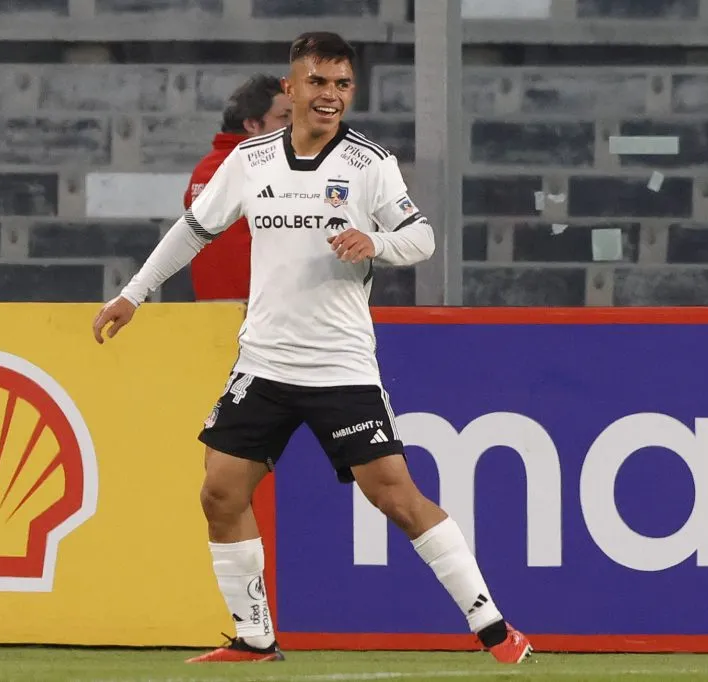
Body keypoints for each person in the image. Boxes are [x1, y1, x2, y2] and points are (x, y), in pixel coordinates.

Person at [92, 31, 533, 666]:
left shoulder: (369, 164)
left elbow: (423, 239)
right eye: (319, 82)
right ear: (291, 86)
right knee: (219, 492)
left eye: (342, 85)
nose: (330, 96)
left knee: (395, 496)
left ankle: (494, 629)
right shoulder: (249, 159)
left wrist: (373, 242)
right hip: (264, 362)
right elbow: (193, 232)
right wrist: (132, 294)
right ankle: (254, 638)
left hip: (339, 364)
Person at [184, 74, 292, 301]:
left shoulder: (203, 170)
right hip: (260, 316)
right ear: (252, 124)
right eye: (284, 117)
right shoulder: (260, 170)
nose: (293, 126)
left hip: (211, 314)